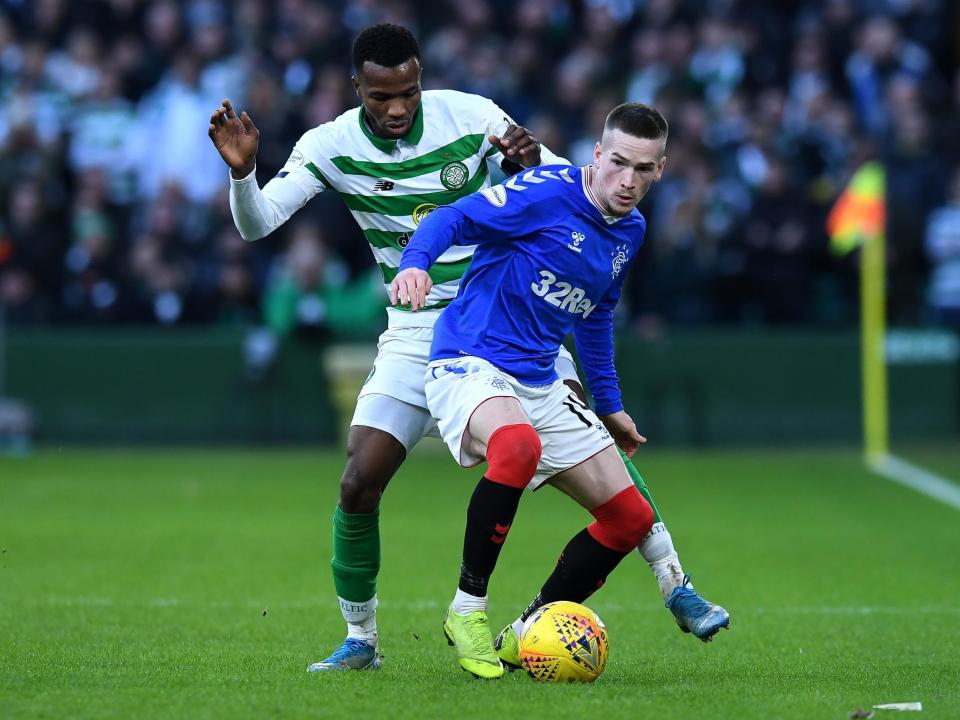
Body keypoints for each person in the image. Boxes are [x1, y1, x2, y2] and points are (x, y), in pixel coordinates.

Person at [208, 23, 726, 673]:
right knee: (359, 477)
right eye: (381, 97)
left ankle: (671, 578)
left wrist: (527, 158)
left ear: (422, 78)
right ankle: (362, 639)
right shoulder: (328, 144)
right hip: (417, 324)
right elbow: (258, 224)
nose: (398, 108)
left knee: (597, 446)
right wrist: (244, 175)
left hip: (509, 314)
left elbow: (560, 188)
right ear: (357, 89)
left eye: (410, 92)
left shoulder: (471, 116)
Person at [392, 102, 728, 678]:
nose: (628, 181)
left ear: (660, 170)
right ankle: (467, 608)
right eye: (618, 163)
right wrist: (417, 263)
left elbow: (596, 316)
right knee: (516, 448)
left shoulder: (632, 231)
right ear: (596, 156)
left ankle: (525, 632)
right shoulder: (544, 193)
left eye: (643, 170)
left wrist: (612, 405)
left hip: (540, 380)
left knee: (628, 518)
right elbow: (452, 218)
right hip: (470, 360)